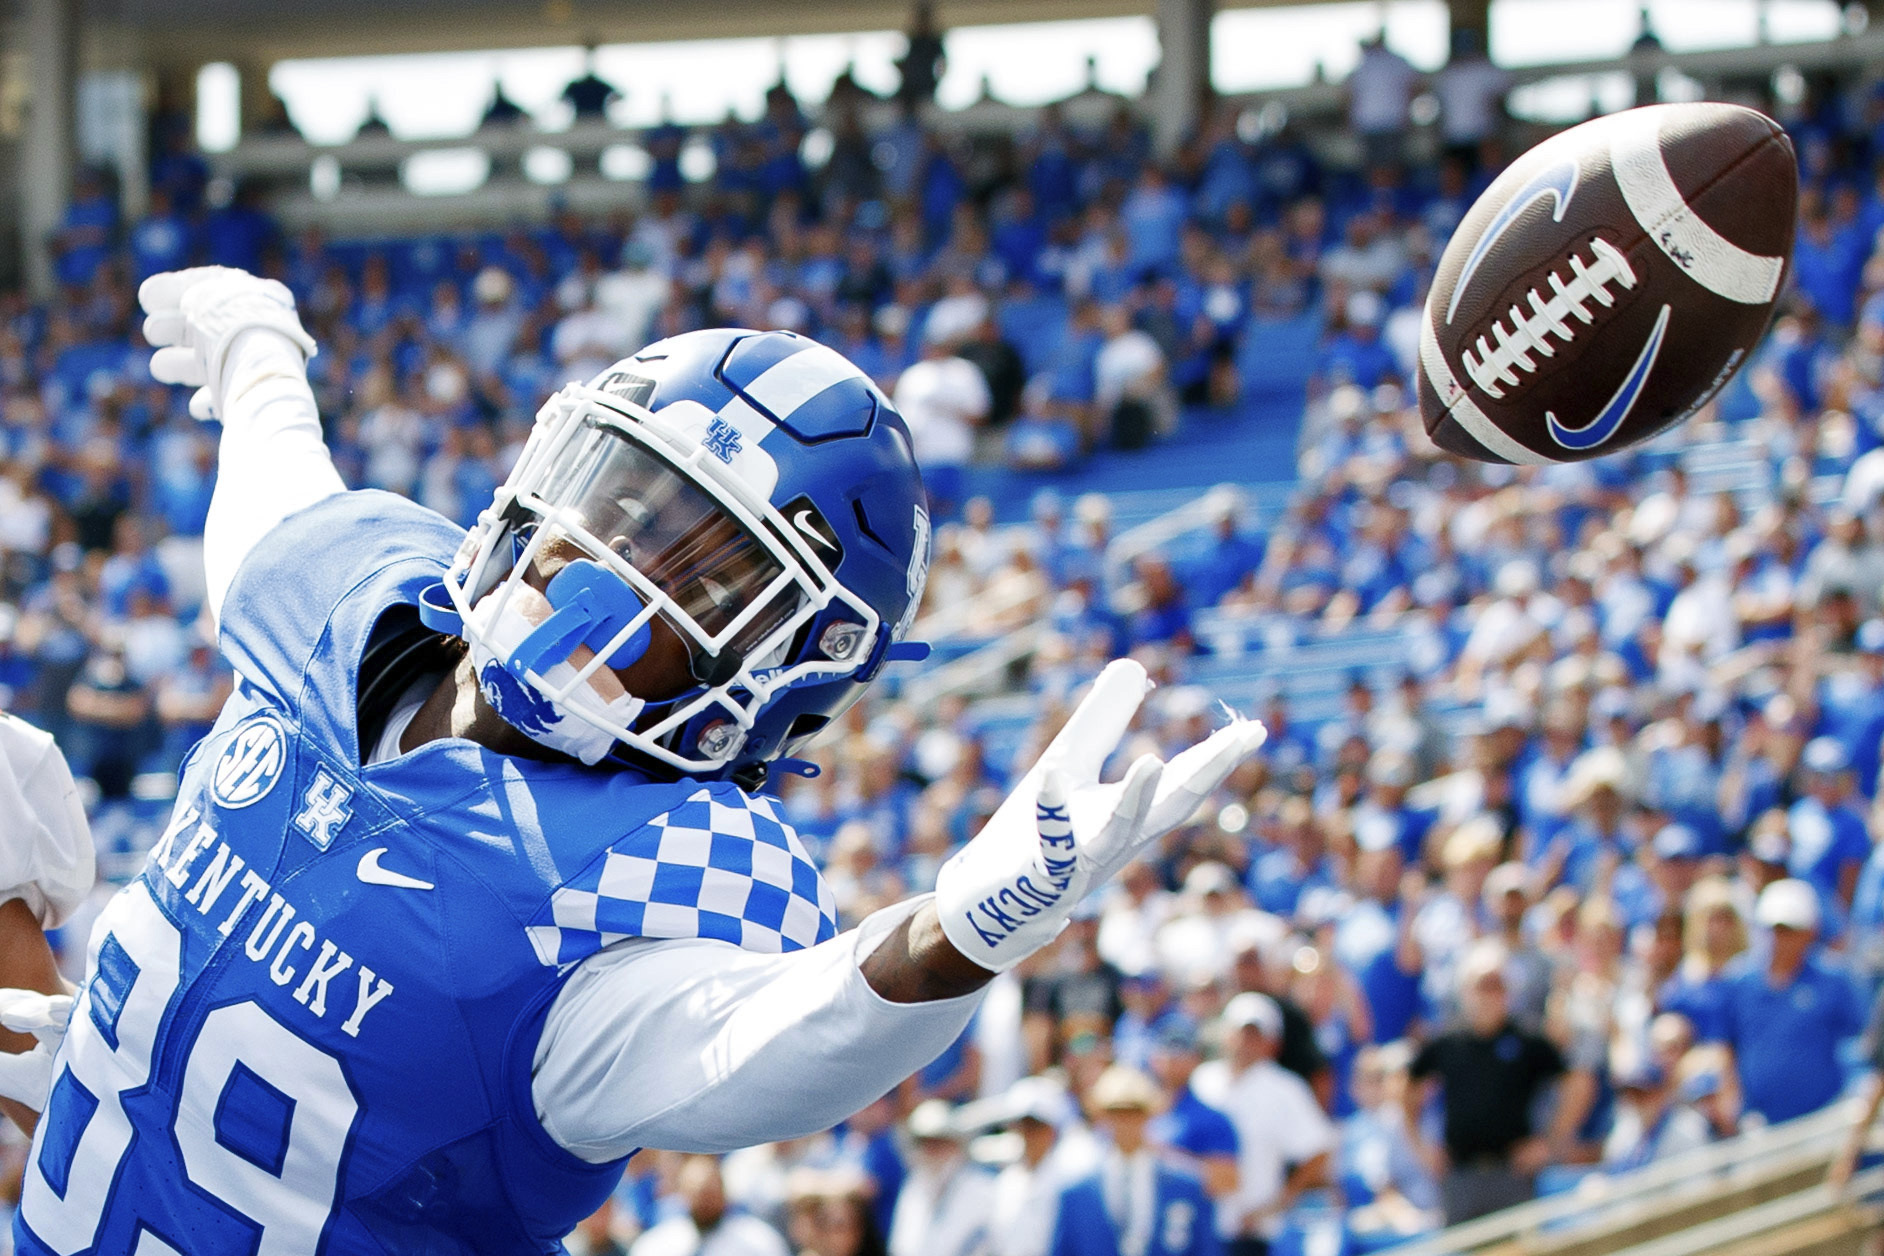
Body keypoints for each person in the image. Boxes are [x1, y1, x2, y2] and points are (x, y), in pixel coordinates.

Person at [0, 266, 1267, 1254]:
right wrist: (261, 348)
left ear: (780, 678)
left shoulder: (638, 883)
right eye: (615, 503)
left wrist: (955, 934)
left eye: (694, 578)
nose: (592, 573)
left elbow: (770, 1045)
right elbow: (279, 479)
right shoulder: (349, 598)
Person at [1405, 942, 1580, 1224]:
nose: (1488, 995)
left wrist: (1551, 1141)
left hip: (1512, 1172)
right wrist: (1421, 1147)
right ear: (1465, 990)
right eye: (1481, 985)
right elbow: (1409, 1084)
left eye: (1496, 985)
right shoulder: (1448, 1041)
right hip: (1460, 1174)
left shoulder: (1527, 1039)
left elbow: (1576, 1083)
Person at [1190, 993, 1334, 1256]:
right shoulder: (1202, 1080)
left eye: (1256, 1034)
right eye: (1241, 1032)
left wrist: (1274, 1205)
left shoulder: (1285, 1088)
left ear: (1273, 1042)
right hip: (1196, 1229)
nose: (1246, 1042)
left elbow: (1319, 1151)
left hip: (1252, 1235)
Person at [1718, 878, 1866, 1126]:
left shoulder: (1834, 980)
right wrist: (1731, 1096)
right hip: (1759, 1122)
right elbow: (1727, 1045)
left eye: (1789, 929)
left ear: (1810, 931)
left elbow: (1856, 1042)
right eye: (1774, 929)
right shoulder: (1739, 981)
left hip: (1825, 1118)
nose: (1780, 938)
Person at [1050, 1066, 1219, 1256]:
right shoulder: (1076, 1192)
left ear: (1149, 1115)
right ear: (1103, 1117)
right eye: (1117, 1113)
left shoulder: (1187, 1185)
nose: (1126, 1122)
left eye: (1135, 1112)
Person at [887, 1101, 995, 1256]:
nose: (931, 1150)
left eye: (939, 1142)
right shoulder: (913, 1188)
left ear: (956, 1144)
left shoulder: (982, 1188)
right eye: (924, 1143)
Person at [632, 1156, 788, 1256]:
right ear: (683, 1196)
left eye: (710, 1193)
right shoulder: (657, 1244)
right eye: (697, 1194)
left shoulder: (758, 1240)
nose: (704, 1202)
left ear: (724, 1193)